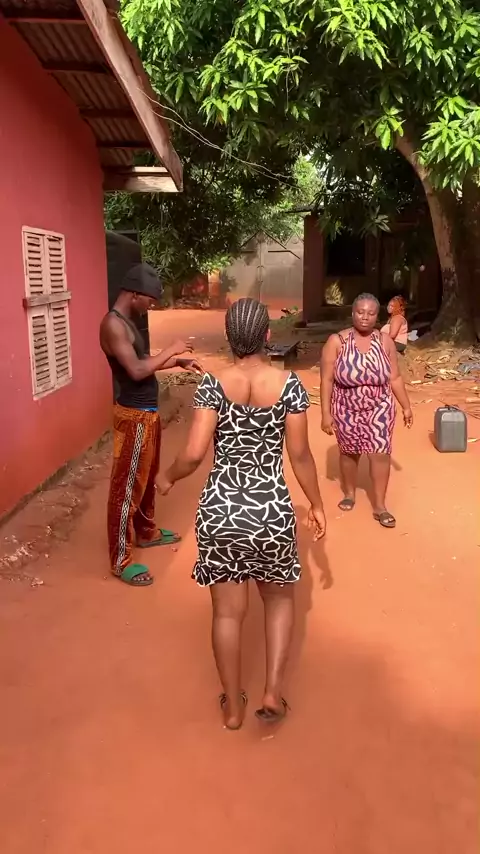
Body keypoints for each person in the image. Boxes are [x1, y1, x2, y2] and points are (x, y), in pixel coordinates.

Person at [157, 298, 326, 729]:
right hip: (270, 510)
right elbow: (301, 455)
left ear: (230, 338)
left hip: (222, 510)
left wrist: (168, 477)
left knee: (227, 613)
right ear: (267, 335)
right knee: (279, 599)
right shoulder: (289, 386)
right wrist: (317, 504)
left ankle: (232, 707)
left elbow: (194, 454)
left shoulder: (213, 386)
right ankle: (272, 691)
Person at [100, 263, 202, 587]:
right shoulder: (112, 325)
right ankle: (120, 560)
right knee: (126, 487)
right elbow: (136, 371)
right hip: (132, 417)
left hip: (147, 414)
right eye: (150, 299)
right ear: (134, 294)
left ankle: (145, 531)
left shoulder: (127, 321)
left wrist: (176, 361)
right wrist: (171, 349)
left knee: (145, 479)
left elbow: (144, 362)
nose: (151, 305)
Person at [320, 293, 413, 529]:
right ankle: (349, 493)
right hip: (346, 407)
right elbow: (327, 380)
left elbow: (394, 377)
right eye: (360, 312)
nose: (365, 317)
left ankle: (380, 505)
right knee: (349, 452)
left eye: (371, 313)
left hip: (379, 406)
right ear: (352, 313)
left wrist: (406, 406)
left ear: (377, 316)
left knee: (380, 452)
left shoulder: (385, 342)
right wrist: (325, 413)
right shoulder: (337, 342)